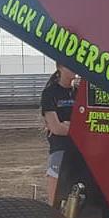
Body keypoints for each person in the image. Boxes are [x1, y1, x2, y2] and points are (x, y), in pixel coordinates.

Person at [41, 64, 77, 204]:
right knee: (55, 199)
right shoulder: (50, 93)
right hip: (60, 149)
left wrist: (67, 125)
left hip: (79, 151)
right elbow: (56, 128)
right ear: (60, 67)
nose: (75, 69)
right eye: (70, 65)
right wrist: (77, 128)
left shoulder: (79, 92)